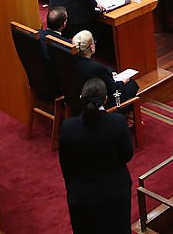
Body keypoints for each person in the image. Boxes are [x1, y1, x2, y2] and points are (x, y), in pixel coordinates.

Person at [58, 77, 134, 234]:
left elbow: (65, 165)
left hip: (81, 198)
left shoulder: (67, 127)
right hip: (115, 195)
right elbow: (127, 155)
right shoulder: (118, 122)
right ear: (106, 99)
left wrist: (74, 189)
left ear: (81, 98)